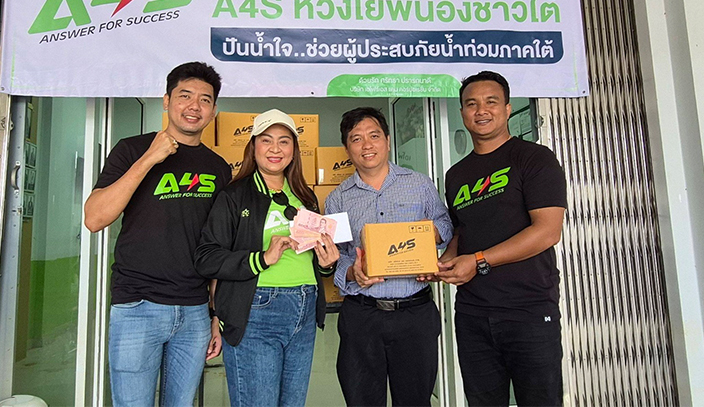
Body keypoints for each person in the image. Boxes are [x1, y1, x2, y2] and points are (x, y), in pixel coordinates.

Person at [83, 62, 230, 406]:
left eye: (205, 100)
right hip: (138, 306)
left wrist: (215, 315)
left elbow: (217, 247)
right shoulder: (132, 150)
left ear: (213, 111)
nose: (194, 106)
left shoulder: (219, 168)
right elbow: (95, 218)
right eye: (185, 96)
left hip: (194, 311)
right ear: (166, 101)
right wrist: (150, 159)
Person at [437, 71, 567, 407]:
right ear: (462, 113)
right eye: (471, 104)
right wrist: (444, 261)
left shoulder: (534, 158)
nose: (481, 110)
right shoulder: (456, 175)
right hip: (473, 314)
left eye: (491, 102)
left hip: (528, 312)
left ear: (507, 109)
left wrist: (478, 261)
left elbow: (547, 231)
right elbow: (461, 231)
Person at [194, 109, 339, 407]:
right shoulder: (233, 196)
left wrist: (327, 265)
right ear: (253, 147)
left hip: (305, 308)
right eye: (266, 140)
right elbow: (207, 258)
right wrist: (261, 258)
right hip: (257, 310)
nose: (276, 149)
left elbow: (314, 258)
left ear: (294, 150)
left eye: (284, 141)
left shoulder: (305, 196)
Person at [326, 107, 453, 407]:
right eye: (356, 139)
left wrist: (425, 239)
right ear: (347, 148)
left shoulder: (419, 184)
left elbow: (445, 224)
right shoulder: (337, 199)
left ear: (387, 140)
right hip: (362, 316)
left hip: (414, 314)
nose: (366, 145)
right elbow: (337, 256)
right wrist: (352, 272)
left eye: (373, 136)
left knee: (415, 401)